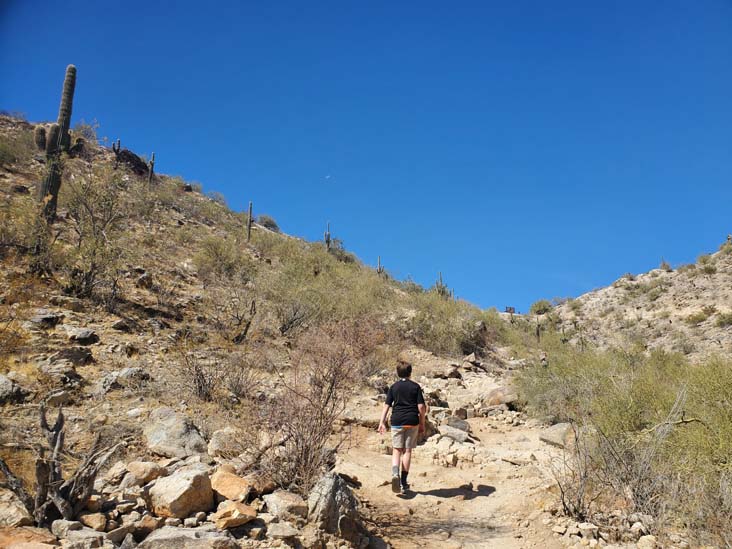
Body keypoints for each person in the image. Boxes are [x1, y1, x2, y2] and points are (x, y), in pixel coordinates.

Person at [378, 362, 427, 493]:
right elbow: (421, 407)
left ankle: (395, 474)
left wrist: (381, 422)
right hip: (412, 421)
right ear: (410, 372)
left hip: (397, 421)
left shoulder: (393, 387)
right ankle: (404, 482)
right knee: (408, 451)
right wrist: (422, 422)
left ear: (397, 373)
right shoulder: (415, 387)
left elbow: (386, 405)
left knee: (397, 450)